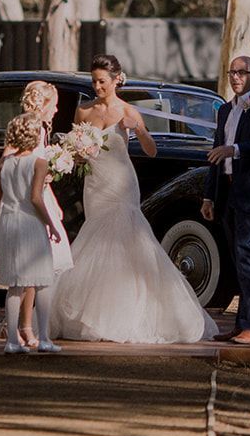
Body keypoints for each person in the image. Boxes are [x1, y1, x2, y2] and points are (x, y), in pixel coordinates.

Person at [50, 55, 216, 344]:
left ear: (117, 80)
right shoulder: (83, 111)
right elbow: (76, 156)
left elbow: (151, 150)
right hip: (95, 185)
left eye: (102, 81)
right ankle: (92, 308)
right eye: (94, 81)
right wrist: (75, 154)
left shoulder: (128, 110)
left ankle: (121, 314)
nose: (97, 86)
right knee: (96, 241)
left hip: (121, 184)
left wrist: (137, 128)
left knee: (127, 240)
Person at [0, 81, 72, 346]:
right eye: (54, 104)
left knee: (34, 273)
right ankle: (20, 327)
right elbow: (7, 161)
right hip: (27, 206)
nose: (56, 110)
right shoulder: (28, 128)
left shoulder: (42, 130)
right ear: (42, 104)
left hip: (35, 199)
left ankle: (25, 327)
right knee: (30, 271)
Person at [201, 54, 250, 345]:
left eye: (241, 72)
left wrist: (234, 149)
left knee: (247, 256)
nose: (235, 77)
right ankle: (240, 324)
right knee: (236, 259)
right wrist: (209, 195)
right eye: (231, 72)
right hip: (226, 193)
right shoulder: (224, 110)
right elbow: (214, 153)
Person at [0, 112, 63, 354]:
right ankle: (43, 337)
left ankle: (11, 340)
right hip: (30, 223)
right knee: (42, 281)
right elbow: (35, 198)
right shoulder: (39, 163)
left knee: (14, 285)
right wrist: (52, 226)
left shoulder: (4, 163)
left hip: (8, 224)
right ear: (34, 136)